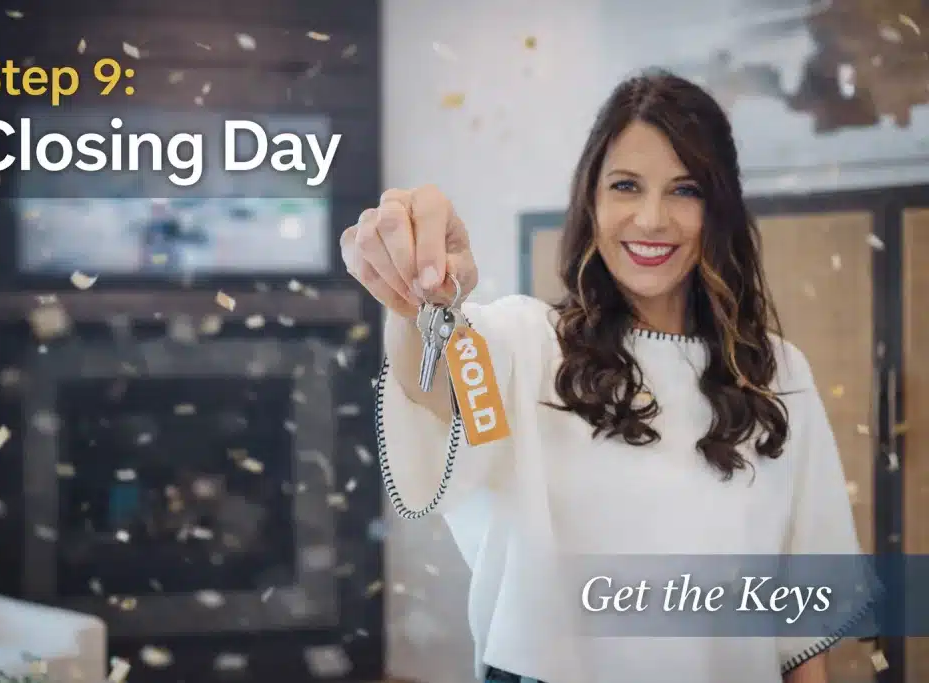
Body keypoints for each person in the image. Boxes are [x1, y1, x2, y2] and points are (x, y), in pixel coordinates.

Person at [340, 70, 868, 683]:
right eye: (625, 185)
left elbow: (799, 617)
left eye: (685, 190)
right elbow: (432, 394)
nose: (651, 218)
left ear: (719, 207)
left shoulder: (778, 375)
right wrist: (417, 298)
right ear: (591, 200)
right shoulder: (529, 346)